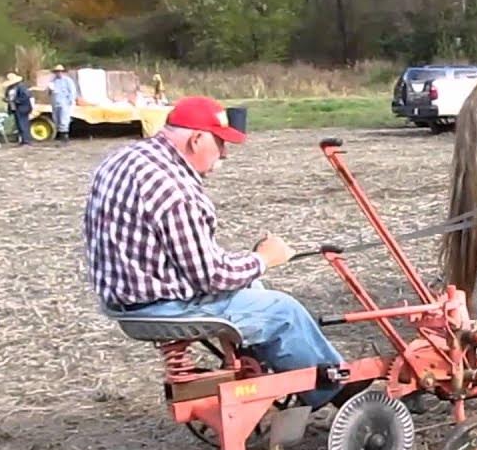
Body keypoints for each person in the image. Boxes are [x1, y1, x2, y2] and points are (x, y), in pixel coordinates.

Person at [82, 95, 347, 409]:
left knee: (254, 289)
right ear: (196, 140)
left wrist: (249, 266)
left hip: (125, 300)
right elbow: (212, 277)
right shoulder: (174, 189)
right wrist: (264, 258)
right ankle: (339, 389)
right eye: (220, 144)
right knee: (282, 311)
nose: (223, 154)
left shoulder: (126, 158)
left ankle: (272, 368)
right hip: (163, 306)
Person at [48, 64, 77, 144]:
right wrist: (50, 90)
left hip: (65, 103)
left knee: (64, 120)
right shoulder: (53, 81)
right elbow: (50, 93)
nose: (58, 73)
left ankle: (64, 138)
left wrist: (70, 102)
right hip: (55, 103)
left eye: (60, 71)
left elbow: (72, 92)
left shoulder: (67, 81)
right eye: (57, 72)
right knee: (57, 120)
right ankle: (60, 137)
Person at [4, 73, 33, 146]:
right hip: (14, 108)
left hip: (22, 108)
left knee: (23, 124)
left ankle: (26, 140)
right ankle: (22, 140)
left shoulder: (21, 87)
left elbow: (25, 96)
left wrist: (16, 101)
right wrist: (6, 99)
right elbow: (8, 96)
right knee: (19, 125)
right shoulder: (9, 88)